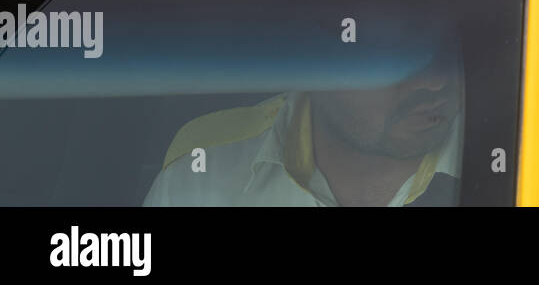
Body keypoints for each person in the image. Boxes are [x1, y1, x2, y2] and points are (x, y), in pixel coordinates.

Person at [143, 55, 464, 207]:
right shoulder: (201, 177)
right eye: (394, 56)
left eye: (447, 50)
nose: (436, 82)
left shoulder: (511, 153)